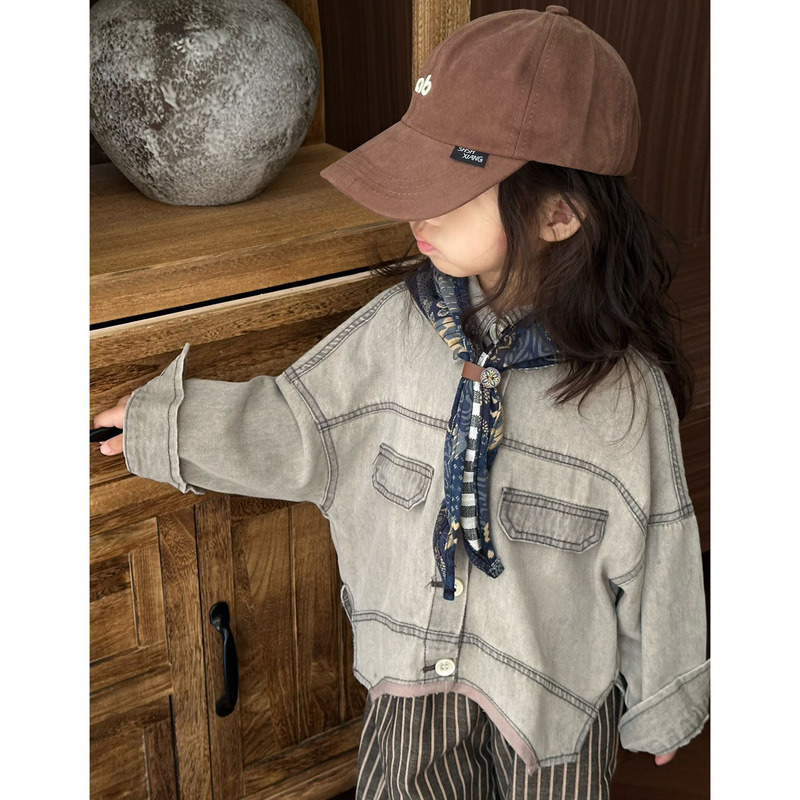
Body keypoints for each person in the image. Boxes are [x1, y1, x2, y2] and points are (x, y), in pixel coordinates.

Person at [94, 7, 709, 799]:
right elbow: (298, 426)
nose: (419, 206)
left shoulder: (625, 398)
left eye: (452, 185)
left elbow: (660, 556)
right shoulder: (393, 333)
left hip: (553, 718)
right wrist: (165, 426)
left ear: (561, 213)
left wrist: (663, 702)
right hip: (410, 692)